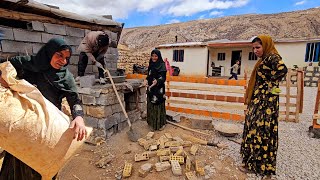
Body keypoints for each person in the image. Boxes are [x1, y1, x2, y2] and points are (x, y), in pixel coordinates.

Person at [0, 38, 87, 180]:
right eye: (59, 55)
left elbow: (74, 100)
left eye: (66, 58)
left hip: (47, 127)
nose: (63, 61)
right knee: (18, 163)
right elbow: (8, 65)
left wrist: (78, 117)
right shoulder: (30, 65)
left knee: (43, 165)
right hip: (23, 123)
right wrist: (4, 78)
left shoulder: (66, 77)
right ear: (49, 53)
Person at [240, 35, 287, 177]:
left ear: (265, 45)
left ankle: (263, 167)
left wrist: (270, 87)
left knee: (262, 131)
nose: (255, 50)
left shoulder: (272, 56)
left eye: (258, 47)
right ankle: (253, 162)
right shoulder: (264, 59)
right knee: (253, 128)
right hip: (259, 100)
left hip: (266, 103)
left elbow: (283, 70)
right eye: (253, 48)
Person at [145, 49, 167, 131]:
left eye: (155, 56)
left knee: (158, 105)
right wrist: (146, 80)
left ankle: (160, 124)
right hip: (151, 88)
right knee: (151, 105)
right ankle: (152, 123)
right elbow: (149, 75)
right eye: (152, 56)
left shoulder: (162, 65)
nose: (154, 58)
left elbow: (163, 77)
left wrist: (157, 81)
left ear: (159, 56)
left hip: (159, 89)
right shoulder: (151, 64)